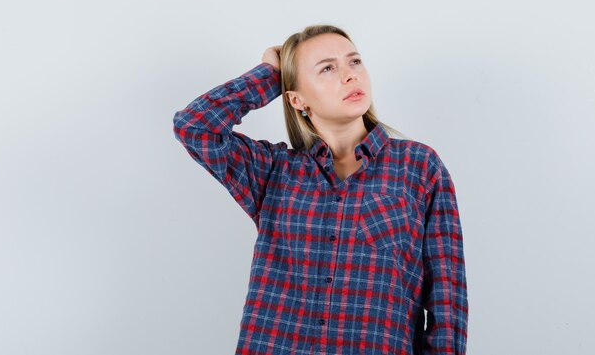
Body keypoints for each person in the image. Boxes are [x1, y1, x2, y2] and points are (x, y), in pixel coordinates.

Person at [172, 24, 469, 355]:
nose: (349, 76)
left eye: (354, 62)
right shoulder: (273, 171)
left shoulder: (418, 167)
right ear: (297, 99)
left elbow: (447, 299)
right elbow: (194, 126)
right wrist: (270, 75)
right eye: (327, 68)